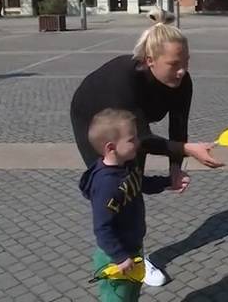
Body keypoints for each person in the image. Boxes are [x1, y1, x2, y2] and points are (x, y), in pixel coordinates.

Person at [70, 6, 224, 185]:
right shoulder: (125, 80)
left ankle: (133, 207)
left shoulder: (183, 81)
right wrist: (187, 149)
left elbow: (178, 127)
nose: (182, 71)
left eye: (186, 62)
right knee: (110, 178)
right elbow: (142, 137)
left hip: (133, 121)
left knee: (135, 177)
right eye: (173, 64)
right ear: (150, 60)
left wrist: (175, 168)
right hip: (90, 113)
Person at [79, 108, 189, 301]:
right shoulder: (106, 184)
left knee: (131, 294)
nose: (138, 143)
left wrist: (167, 182)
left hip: (133, 247)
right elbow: (102, 227)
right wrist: (119, 256)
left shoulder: (127, 166)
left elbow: (141, 183)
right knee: (118, 297)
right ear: (111, 148)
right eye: (132, 139)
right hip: (115, 257)